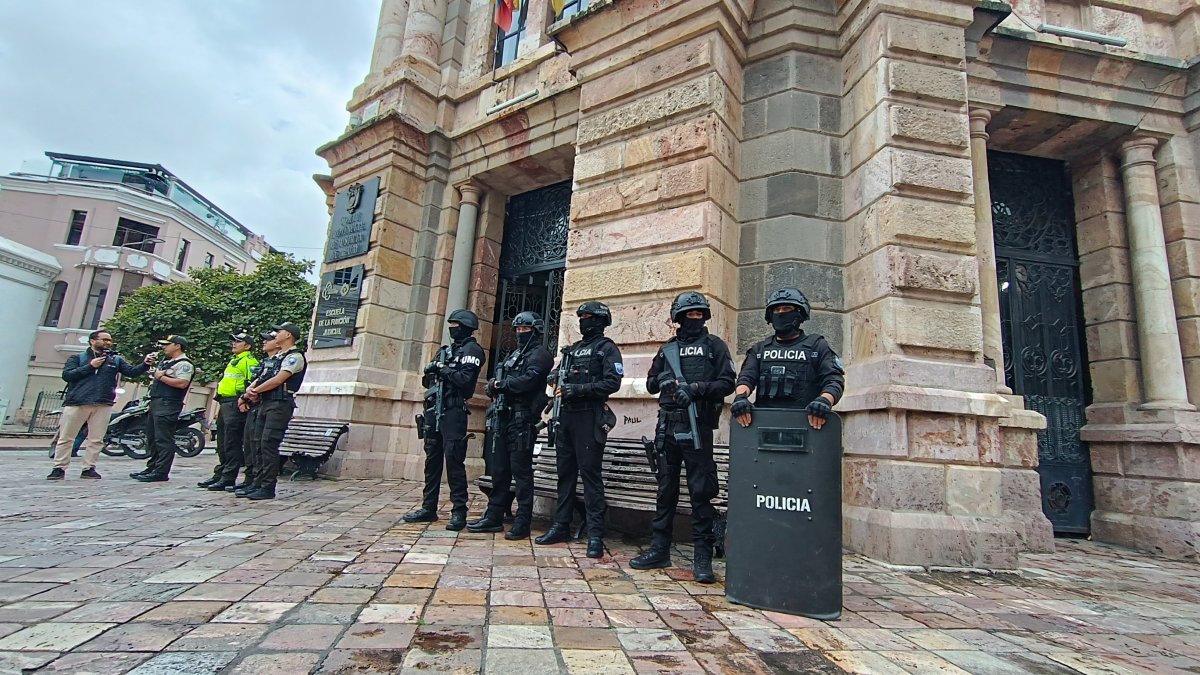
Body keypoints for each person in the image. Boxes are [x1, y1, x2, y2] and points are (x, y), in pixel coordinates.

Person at [631, 292, 736, 583]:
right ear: (678, 318)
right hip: (667, 428)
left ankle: (702, 557)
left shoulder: (714, 346)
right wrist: (664, 380)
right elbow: (651, 383)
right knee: (665, 492)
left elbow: (728, 383)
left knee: (701, 493)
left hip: (697, 427)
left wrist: (698, 388)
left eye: (698, 314)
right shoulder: (667, 350)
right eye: (688, 315)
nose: (694, 319)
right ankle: (659, 548)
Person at [535, 301, 623, 559]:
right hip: (566, 418)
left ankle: (595, 533)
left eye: (588, 317)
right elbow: (557, 371)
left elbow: (612, 382)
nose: (583, 321)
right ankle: (561, 525)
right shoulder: (572, 350)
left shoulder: (606, 349)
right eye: (581, 316)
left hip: (589, 416)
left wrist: (578, 389)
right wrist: (553, 377)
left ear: (600, 320)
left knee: (591, 477)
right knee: (565, 475)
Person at [467, 312, 553, 539]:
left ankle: (523, 521)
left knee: (521, 472)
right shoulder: (514, 355)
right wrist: (493, 386)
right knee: (499, 470)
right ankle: (494, 516)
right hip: (503, 418)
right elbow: (499, 375)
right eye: (517, 329)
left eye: (524, 329)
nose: (519, 333)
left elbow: (529, 381)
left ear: (535, 330)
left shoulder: (541, 355)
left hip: (522, 420)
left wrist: (502, 385)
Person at [404, 309, 486, 531]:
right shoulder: (444, 351)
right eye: (451, 324)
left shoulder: (473, 350)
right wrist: (433, 370)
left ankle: (459, 510)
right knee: (432, 462)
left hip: (453, 411)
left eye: (456, 324)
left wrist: (443, 369)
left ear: (467, 327)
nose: (452, 328)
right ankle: (428, 507)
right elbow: (427, 381)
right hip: (434, 410)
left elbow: (465, 381)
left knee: (454, 462)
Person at [731, 287, 845, 432]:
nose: (781, 313)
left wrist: (824, 400)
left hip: (807, 425)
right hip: (765, 426)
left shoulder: (817, 346)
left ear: (799, 313)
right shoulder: (760, 349)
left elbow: (834, 380)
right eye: (776, 310)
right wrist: (740, 398)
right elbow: (746, 378)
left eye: (786, 308)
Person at [48, 330, 152, 480]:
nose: (107, 343)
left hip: (103, 403)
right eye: (104, 340)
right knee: (66, 437)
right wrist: (90, 366)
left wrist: (145, 364)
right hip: (77, 402)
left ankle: (89, 468)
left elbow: (132, 372)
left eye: (109, 340)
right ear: (92, 341)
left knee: (96, 439)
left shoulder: (115, 360)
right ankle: (59, 467)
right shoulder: (77, 358)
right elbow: (68, 375)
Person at [239, 322, 307, 500]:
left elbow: (278, 380)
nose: (276, 334)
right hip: (265, 403)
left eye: (279, 331)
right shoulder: (277, 358)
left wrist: (255, 391)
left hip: (279, 405)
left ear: (289, 335)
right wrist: (249, 392)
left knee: (268, 444)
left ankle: (267, 487)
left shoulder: (295, 356)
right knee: (258, 444)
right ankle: (257, 483)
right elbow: (263, 377)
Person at [200, 332, 259, 491]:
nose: (234, 344)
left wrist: (244, 400)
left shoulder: (248, 361)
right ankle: (221, 472)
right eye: (233, 341)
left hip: (236, 403)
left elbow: (251, 382)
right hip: (225, 402)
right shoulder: (235, 361)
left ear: (247, 346)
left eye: (238, 342)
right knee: (222, 441)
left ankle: (228, 477)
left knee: (232, 442)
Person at [131, 335, 194, 482]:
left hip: (168, 404)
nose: (164, 347)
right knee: (152, 437)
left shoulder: (184, 364)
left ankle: (161, 471)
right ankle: (153, 467)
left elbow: (182, 383)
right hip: (157, 402)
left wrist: (160, 377)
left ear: (177, 346)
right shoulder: (166, 362)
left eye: (167, 344)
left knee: (163, 439)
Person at [229, 330, 279, 495]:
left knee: (261, 445)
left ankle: (259, 482)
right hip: (254, 404)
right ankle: (251, 480)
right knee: (250, 444)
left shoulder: (280, 361)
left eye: (268, 339)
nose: (264, 342)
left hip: (264, 403)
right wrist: (246, 398)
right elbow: (254, 382)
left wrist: (248, 397)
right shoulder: (266, 362)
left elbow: (270, 383)